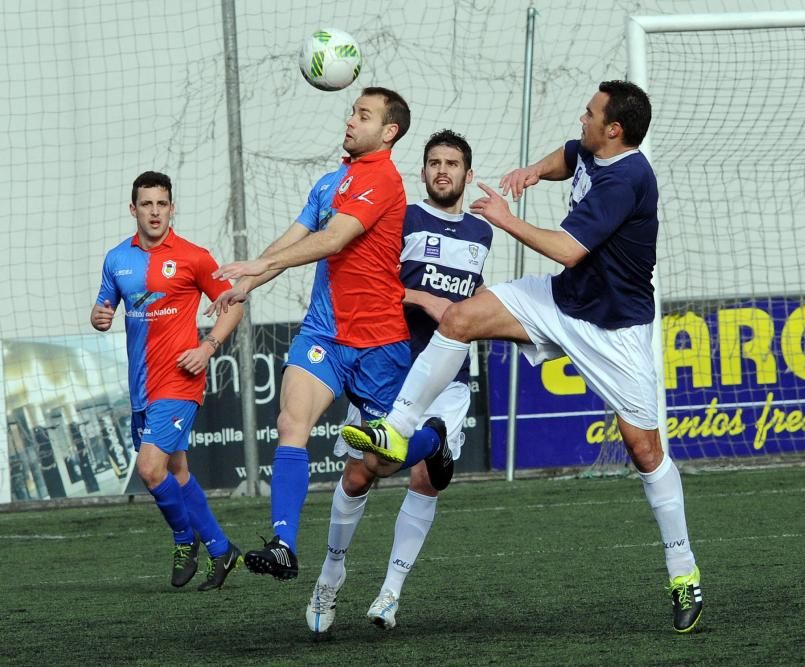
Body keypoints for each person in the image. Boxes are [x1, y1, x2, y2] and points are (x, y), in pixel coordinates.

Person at [341, 81, 705, 633]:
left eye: (590, 113)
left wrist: (505, 216)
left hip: (615, 331)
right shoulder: (594, 148)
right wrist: (534, 171)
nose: (581, 118)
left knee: (645, 449)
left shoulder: (629, 177)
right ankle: (397, 427)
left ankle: (683, 570)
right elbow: (568, 154)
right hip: (559, 300)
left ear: (615, 130)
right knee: (461, 319)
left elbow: (566, 247)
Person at [206, 87, 450, 582]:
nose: (350, 121)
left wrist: (261, 264)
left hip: (380, 341)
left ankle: (434, 441)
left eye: (363, 115)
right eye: (352, 112)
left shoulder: (383, 180)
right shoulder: (329, 183)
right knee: (291, 422)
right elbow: (295, 239)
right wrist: (246, 284)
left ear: (389, 132)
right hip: (324, 334)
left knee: (382, 462)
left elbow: (334, 240)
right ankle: (283, 545)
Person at [305, 129, 492, 634]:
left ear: (467, 175)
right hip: (392, 362)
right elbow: (377, 282)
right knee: (366, 471)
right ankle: (331, 575)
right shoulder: (403, 218)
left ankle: (390, 594)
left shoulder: (481, 233)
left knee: (427, 479)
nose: (442, 170)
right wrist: (422, 299)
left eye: (452, 163)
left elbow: (471, 292)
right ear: (423, 170)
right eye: (434, 162)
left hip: (450, 371)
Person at [91, 171, 244, 591]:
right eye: (147, 204)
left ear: (172, 208)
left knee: (150, 469)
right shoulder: (117, 258)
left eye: (162, 204)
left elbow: (232, 304)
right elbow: (103, 305)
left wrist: (208, 346)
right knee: (176, 471)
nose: (155, 212)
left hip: (179, 380)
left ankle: (184, 539)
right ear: (133, 209)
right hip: (140, 384)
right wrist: (99, 317)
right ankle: (221, 548)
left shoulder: (194, 256)